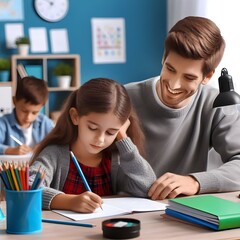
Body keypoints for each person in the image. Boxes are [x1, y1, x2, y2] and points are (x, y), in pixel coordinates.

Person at [125, 16, 240, 200]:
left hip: (184, 211)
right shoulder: (125, 97)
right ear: (163, 58)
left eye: (189, 77)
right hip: (126, 207)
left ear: (207, 76)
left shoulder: (217, 103)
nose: (174, 84)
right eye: (170, 69)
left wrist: (195, 181)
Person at [29, 78, 156, 213]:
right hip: (64, 232)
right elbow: (28, 187)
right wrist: (70, 202)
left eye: (110, 132)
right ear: (75, 116)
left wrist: (123, 138)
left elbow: (147, 188)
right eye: (92, 128)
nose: (100, 139)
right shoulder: (54, 154)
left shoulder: (115, 160)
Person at [0, 76, 54, 155]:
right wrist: (9, 150)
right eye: (24, 111)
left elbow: (58, 142)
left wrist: (42, 146)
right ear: (15, 101)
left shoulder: (44, 122)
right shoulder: (3, 123)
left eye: (34, 113)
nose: (28, 117)